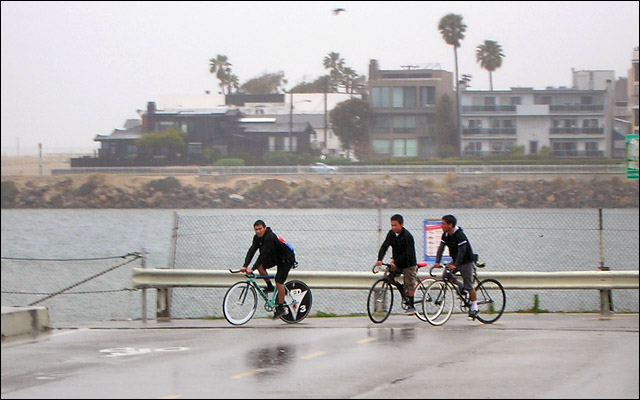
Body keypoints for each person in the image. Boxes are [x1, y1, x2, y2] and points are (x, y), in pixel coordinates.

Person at [241, 220, 295, 320]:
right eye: (256, 229)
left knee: (279, 281)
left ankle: (280, 307)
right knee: (260, 265)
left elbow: (263, 254)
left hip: (287, 258)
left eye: (260, 229)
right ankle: (269, 286)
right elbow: (252, 250)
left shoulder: (269, 237)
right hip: (277, 256)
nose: (258, 231)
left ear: (265, 228)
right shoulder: (257, 238)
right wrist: (245, 265)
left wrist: (252, 269)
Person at [434, 214, 479, 320]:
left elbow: (462, 252)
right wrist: (437, 261)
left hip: (466, 261)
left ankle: (474, 307)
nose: (441, 226)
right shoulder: (445, 235)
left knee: (469, 285)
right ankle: (460, 286)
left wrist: (456, 265)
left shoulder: (460, 235)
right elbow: (441, 248)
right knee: (446, 276)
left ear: (450, 225)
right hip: (456, 260)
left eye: (443, 224)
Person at [376, 214, 418, 315]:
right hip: (397, 262)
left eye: (395, 225)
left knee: (409, 283)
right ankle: (402, 289)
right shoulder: (391, 234)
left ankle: (411, 305)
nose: (393, 227)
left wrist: (395, 262)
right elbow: (385, 246)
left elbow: (407, 254)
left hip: (408, 263)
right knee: (389, 276)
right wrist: (380, 259)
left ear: (401, 225)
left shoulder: (407, 236)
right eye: (392, 225)